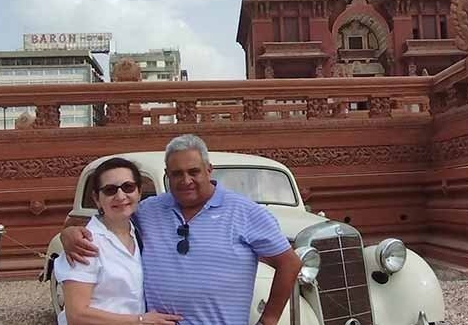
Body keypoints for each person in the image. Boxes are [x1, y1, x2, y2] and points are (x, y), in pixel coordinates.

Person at [62, 134, 302, 325]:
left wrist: (268, 320)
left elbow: (289, 263)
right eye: (177, 173)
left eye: (194, 171)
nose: (185, 180)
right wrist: (70, 234)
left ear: (209, 170)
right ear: (167, 176)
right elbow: (112, 219)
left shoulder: (246, 212)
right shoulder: (149, 210)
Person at [54, 157, 183, 325]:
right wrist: (140, 320)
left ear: (139, 192)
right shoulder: (86, 243)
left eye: (128, 187)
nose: (120, 196)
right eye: (110, 190)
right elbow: (77, 315)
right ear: (96, 198)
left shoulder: (140, 233)